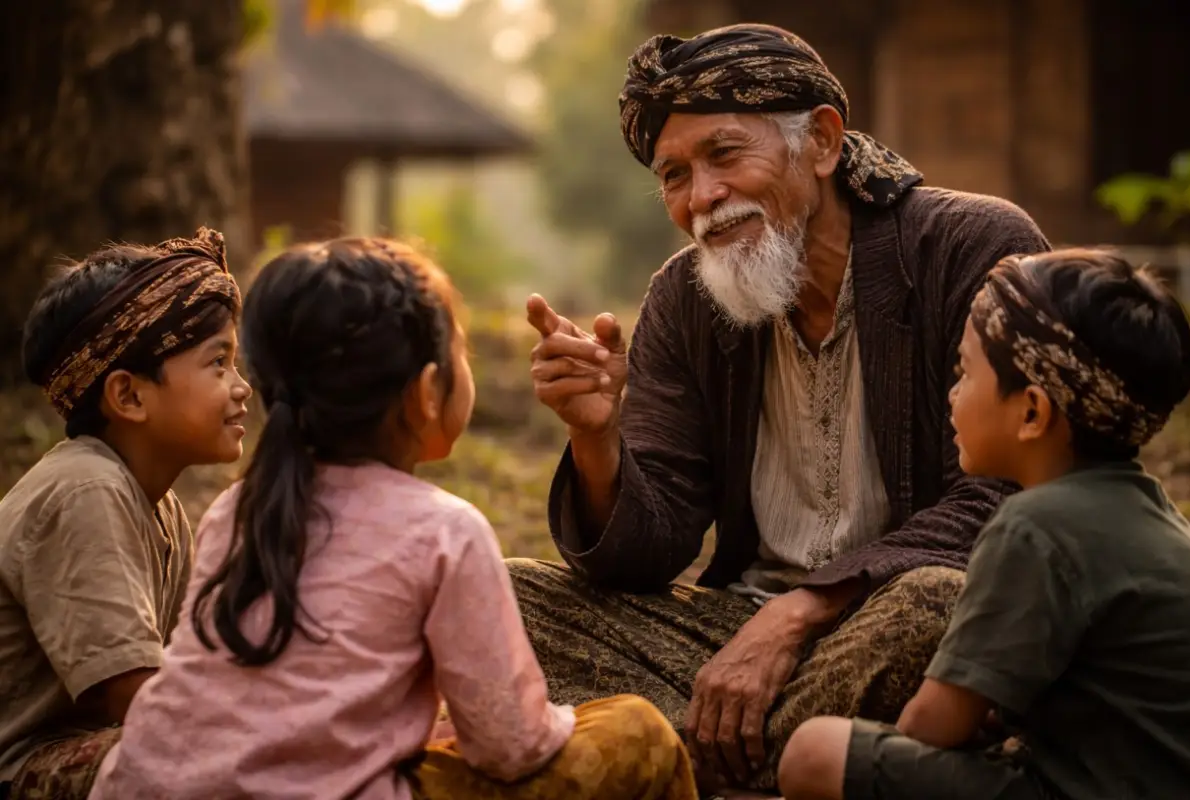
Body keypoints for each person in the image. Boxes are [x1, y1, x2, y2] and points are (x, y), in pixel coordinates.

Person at [514, 22, 1052, 793]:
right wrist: (598, 441)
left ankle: (677, 766)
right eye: (673, 175)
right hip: (733, 639)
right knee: (506, 597)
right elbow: (649, 553)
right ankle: (788, 768)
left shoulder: (973, 246)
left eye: (725, 155)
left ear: (824, 142)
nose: (702, 197)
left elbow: (1008, 497)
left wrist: (801, 610)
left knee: (937, 605)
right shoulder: (683, 296)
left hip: (897, 624)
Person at [87, 238, 698, 800]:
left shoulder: (236, 509)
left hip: (142, 783)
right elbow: (510, 748)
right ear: (429, 392)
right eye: (461, 349)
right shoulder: (445, 532)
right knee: (636, 729)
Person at [777, 249, 1190, 799]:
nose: (952, 394)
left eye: (964, 373)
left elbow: (930, 728)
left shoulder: (1034, 525)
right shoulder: (1160, 521)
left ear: (1031, 412)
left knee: (815, 752)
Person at [0, 228, 250, 800]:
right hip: (20, 768)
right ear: (129, 396)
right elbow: (134, 694)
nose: (243, 389)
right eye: (219, 363)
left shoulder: (157, 504)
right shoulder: (85, 489)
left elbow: (189, 660)